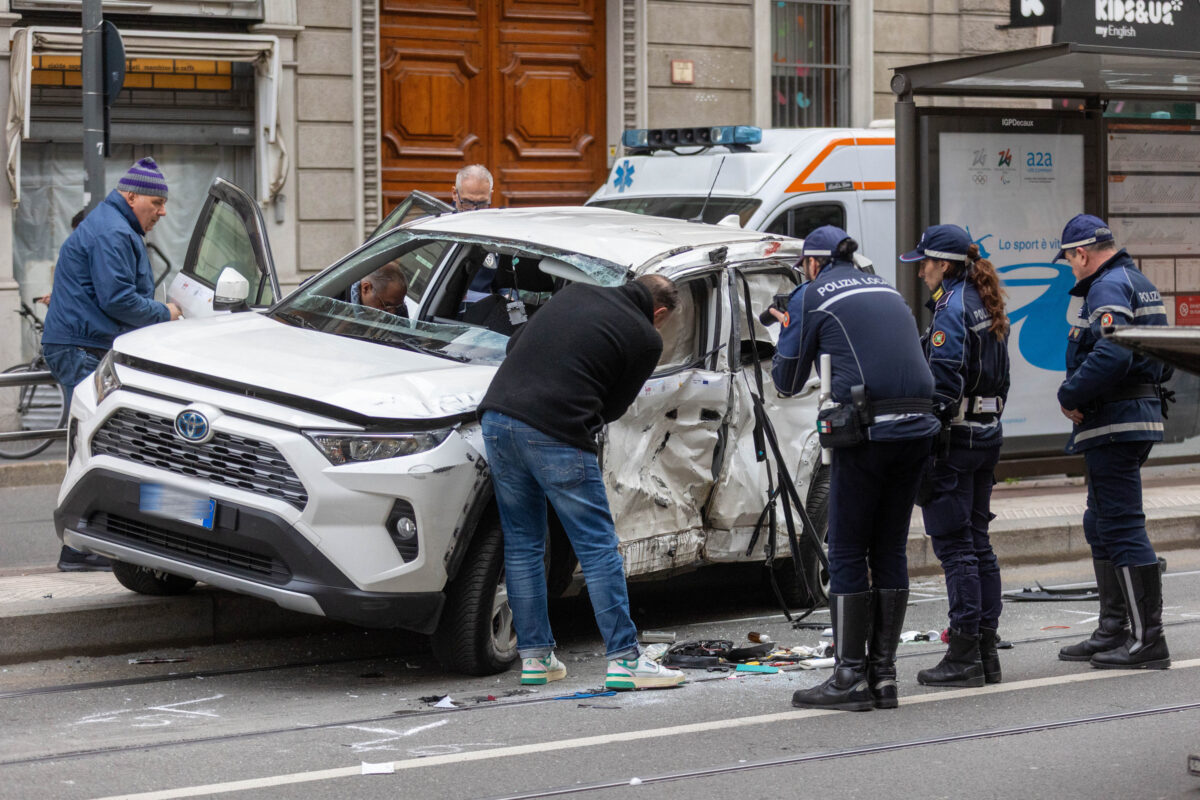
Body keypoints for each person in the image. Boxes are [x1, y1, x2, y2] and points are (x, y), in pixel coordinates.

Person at [478, 274, 687, 691]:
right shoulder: (645, 337)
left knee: (522, 544)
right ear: (659, 312)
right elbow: (614, 407)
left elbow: (516, 344)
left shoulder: (574, 292)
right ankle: (625, 660)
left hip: (497, 418)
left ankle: (536, 658)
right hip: (556, 432)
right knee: (597, 547)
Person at [771, 225, 939, 711]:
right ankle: (883, 676)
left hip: (868, 432)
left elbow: (786, 379)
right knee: (888, 546)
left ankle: (848, 677)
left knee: (845, 546)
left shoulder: (811, 294)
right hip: (919, 427)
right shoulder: (885, 286)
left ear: (812, 263)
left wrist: (786, 329)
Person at [41, 157, 181, 572]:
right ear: (131, 196)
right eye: (157, 203)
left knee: (97, 444)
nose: (162, 212)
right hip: (81, 348)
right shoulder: (113, 231)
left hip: (81, 344)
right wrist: (166, 313)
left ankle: (91, 541)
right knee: (96, 446)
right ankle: (79, 546)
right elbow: (118, 299)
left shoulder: (114, 225)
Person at [1054, 214, 1172, 670]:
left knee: (1121, 526)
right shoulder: (1136, 281)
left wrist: (1071, 393)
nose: (1071, 267)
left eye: (1069, 260)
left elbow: (1114, 350)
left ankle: (1147, 640)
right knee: (1100, 521)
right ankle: (1113, 629)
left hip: (1114, 421)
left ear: (1082, 253)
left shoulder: (1107, 286)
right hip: (1129, 418)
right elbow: (1160, 359)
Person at [899, 224, 1010, 688]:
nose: (920, 271)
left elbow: (944, 382)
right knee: (979, 543)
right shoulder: (985, 300)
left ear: (943, 265)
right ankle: (985, 650)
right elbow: (1002, 375)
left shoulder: (952, 307)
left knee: (955, 547)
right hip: (986, 434)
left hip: (957, 441)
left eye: (924, 262)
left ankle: (963, 653)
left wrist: (927, 433)